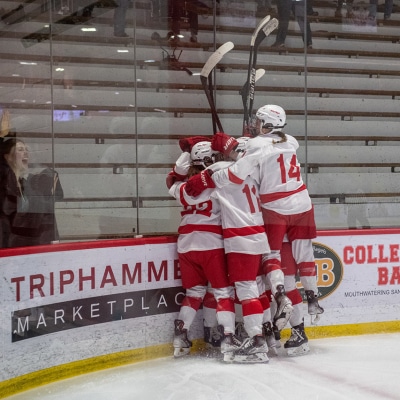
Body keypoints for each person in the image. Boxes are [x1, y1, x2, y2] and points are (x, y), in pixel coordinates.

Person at [185, 105, 324, 342]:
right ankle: (309, 302)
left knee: (256, 282)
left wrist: (225, 152)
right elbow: (257, 152)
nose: (255, 125)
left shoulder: (247, 154)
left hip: (268, 216)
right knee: (294, 269)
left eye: (259, 121)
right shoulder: (290, 141)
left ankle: (260, 330)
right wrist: (236, 146)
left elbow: (239, 166)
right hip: (301, 204)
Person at [167, 139, 238, 360]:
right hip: (211, 243)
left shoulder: (182, 189)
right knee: (223, 293)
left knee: (194, 293)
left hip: (186, 243)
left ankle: (180, 335)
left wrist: (187, 153)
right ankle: (228, 338)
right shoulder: (219, 183)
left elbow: (172, 178)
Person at [0, 137, 63, 248]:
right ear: (8, 157)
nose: (26, 153)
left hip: (28, 244)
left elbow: (41, 214)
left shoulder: (25, 183)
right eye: (20, 149)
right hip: (9, 246)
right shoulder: (4, 183)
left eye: (26, 149)